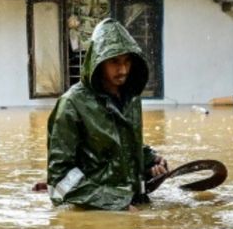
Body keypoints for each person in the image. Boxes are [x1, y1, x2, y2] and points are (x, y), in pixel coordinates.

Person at [46, 18, 168, 210]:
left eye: (128, 61)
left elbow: (123, 146)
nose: (123, 70)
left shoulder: (132, 98)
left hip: (134, 205)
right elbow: (59, 182)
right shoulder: (71, 104)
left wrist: (150, 162)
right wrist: (113, 204)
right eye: (114, 62)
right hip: (94, 216)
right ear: (97, 61)